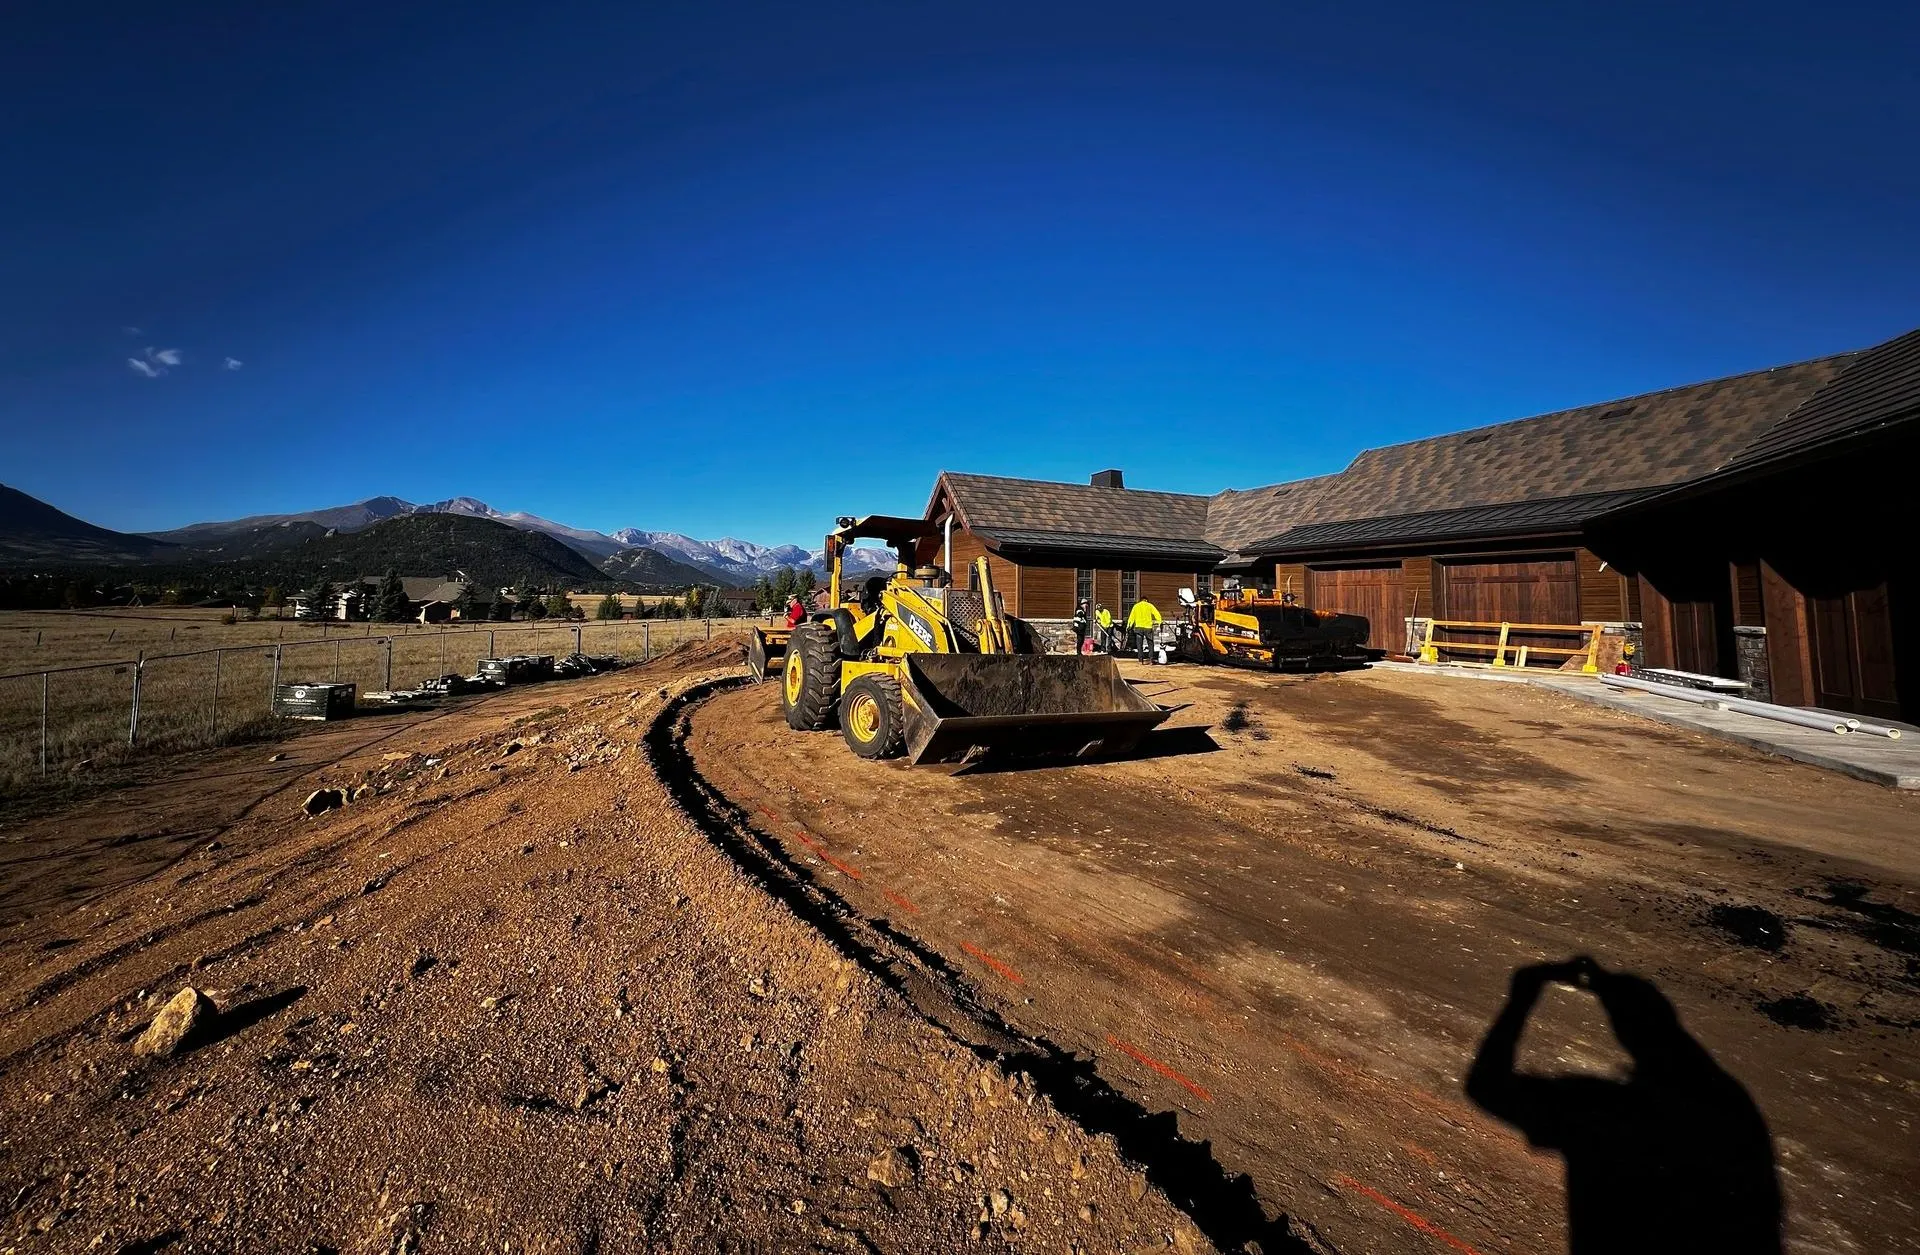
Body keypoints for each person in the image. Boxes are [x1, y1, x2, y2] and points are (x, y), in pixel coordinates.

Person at [1467, 957, 1781, 1255]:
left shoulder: (1606, 1110)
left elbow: (1486, 1086)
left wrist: (1524, 993)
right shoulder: (1731, 1108)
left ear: (1621, 1030)